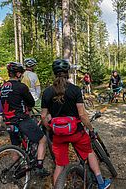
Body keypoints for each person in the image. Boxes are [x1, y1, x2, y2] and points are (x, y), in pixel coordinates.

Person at [41, 59, 112, 188]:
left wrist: (50, 129)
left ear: (54, 73)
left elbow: (43, 117)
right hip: (76, 132)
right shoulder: (75, 90)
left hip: (58, 135)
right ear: (67, 73)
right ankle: (101, 183)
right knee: (90, 153)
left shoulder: (47, 92)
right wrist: (90, 128)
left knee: (59, 165)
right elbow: (82, 115)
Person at [0, 62, 49, 177]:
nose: (22, 75)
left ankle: (16, 168)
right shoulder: (21, 87)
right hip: (21, 119)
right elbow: (31, 102)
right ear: (17, 74)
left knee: (16, 145)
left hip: (8, 121)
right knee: (42, 139)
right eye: (21, 73)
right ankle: (39, 167)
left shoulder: (3, 87)